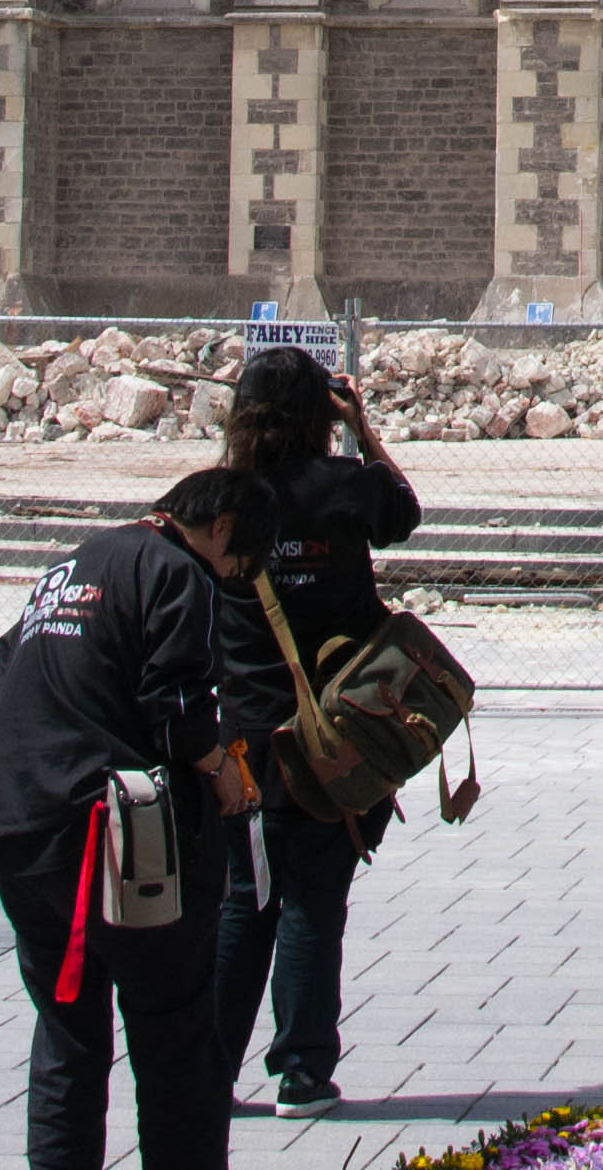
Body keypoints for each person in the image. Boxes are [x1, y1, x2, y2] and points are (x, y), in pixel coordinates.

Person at [0, 467, 273, 1170]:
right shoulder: (177, 572)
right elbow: (180, 707)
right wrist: (222, 770)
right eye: (238, 563)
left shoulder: (74, 564)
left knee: (68, 1036)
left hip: (19, 826)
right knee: (175, 1035)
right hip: (111, 845)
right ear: (220, 527)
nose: (232, 577)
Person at [206, 347, 421, 1112]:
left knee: (246, 903)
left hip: (245, 744)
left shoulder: (216, 501)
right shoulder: (342, 488)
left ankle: (209, 1077)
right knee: (312, 901)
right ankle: (301, 1072)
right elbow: (403, 514)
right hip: (332, 740)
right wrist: (362, 429)